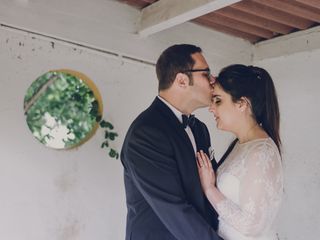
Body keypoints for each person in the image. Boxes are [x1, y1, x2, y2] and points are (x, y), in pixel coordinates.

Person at [121, 44, 222, 240]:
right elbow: (174, 209)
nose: (213, 81)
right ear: (182, 80)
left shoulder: (199, 129)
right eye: (206, 74)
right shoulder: (145, 133)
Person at [197, 64, 283, 240]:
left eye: (218, 100)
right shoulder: (242, 145)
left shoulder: (261, 152)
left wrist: (209, 189)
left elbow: (252, 226)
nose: (211, 108)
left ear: (242, 104)